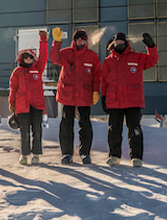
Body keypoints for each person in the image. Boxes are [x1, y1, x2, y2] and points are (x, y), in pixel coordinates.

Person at [100, 31, 158, 167]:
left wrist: (151, 46)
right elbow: (104, 81)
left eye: (121, 42)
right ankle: (114, 155)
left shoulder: (136, 57)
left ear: (126, 43)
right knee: (114, 130)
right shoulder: (108, 61)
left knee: (135, 129)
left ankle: (136, 157)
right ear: (113, 44)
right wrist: (103, 97)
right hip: (114, 101)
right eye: (117, 42)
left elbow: (152, 60)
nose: (119, 44)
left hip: (133, 101)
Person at [49, 27, 101, 165]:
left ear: (86, 40)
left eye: (82, 39)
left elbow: (97, 76)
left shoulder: (92, 56)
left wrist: (96, 91)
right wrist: (57, 42)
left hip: (84, 95)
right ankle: (66, 153)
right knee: (66, 124)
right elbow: (54, 57)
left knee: (85, 124)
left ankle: (85, 153)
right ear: (74, 40)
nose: (80, 41)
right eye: (77, 39)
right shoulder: (66, 53)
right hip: (68, 95)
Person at [9, 30, 50, 165]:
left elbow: (43, 56)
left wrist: (43, 40)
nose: (28, 60)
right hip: (22, 106)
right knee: (24, 132)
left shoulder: (37, 68)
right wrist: (12, 103)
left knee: (37, 131)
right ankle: (24, 154)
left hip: (36, 106)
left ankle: (36, 154)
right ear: (21, 59)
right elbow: (13, 88)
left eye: (30, 58)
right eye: (26, 58)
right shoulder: (17, 72)